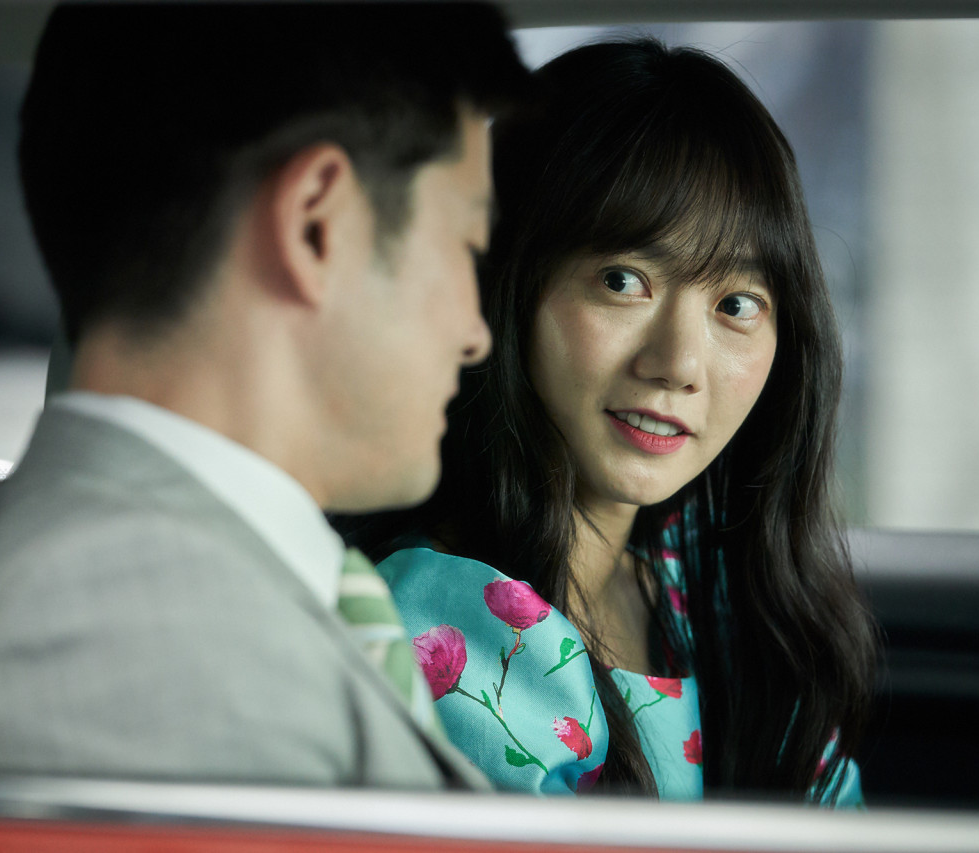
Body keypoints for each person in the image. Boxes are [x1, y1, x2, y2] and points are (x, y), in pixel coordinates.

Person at [0, 2, 527, 790]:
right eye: (465, 245)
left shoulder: (181, 581)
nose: (475, 332)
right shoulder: (123, 626)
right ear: (317, 226)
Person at [343, 40, 878, 804]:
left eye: (736, 304)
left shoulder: (716, 597)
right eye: (623, 281)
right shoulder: (456, 622)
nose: (679, 363)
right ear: (506, 282)